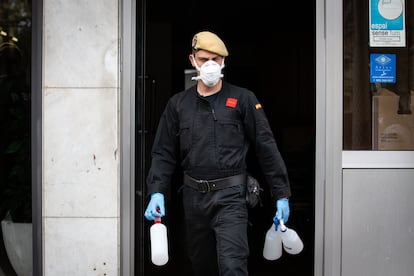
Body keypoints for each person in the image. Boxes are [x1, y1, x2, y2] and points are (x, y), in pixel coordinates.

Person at [144, 30, 291, 276]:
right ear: (192, 61)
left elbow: (266, 146)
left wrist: (282, 193)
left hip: (231, 197)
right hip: (193, 199)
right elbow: (163, 153)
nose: (210, 65)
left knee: (233, 266)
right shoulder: (178, 105)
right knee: (201, 266)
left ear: (224, 62)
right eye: (203, 59)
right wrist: (156, 191)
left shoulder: (243, 99)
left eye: (216, 59)